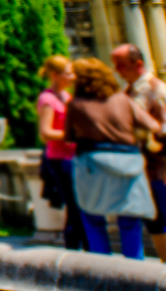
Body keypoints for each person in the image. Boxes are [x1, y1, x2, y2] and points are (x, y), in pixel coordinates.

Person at [64, 57, 161, 260]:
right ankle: (136, 271)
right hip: (129, 161)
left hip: (93, 162)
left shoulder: (76, 104)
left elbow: (69, 137)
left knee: (92, 217)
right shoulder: (123, 99)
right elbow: (153, 125)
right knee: (129, 220)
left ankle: (104, 272)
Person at [114, 44, 166, 259]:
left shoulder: (157, 90)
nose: (117, 70)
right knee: (156, 222)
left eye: (121, 66)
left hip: (160, 170)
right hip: (144, 169)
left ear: (139, 64)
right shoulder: (131, 90)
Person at [36, 56, 84, 251]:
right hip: (60, 158)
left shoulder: (67, 96)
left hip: (74, 156)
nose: (73, 76)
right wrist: (72, 135)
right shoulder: (47, 99)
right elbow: (45, 133)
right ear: (55, 75)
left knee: (81, 206)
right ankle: (73, 249)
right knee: (74, 206)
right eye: (69, 73)